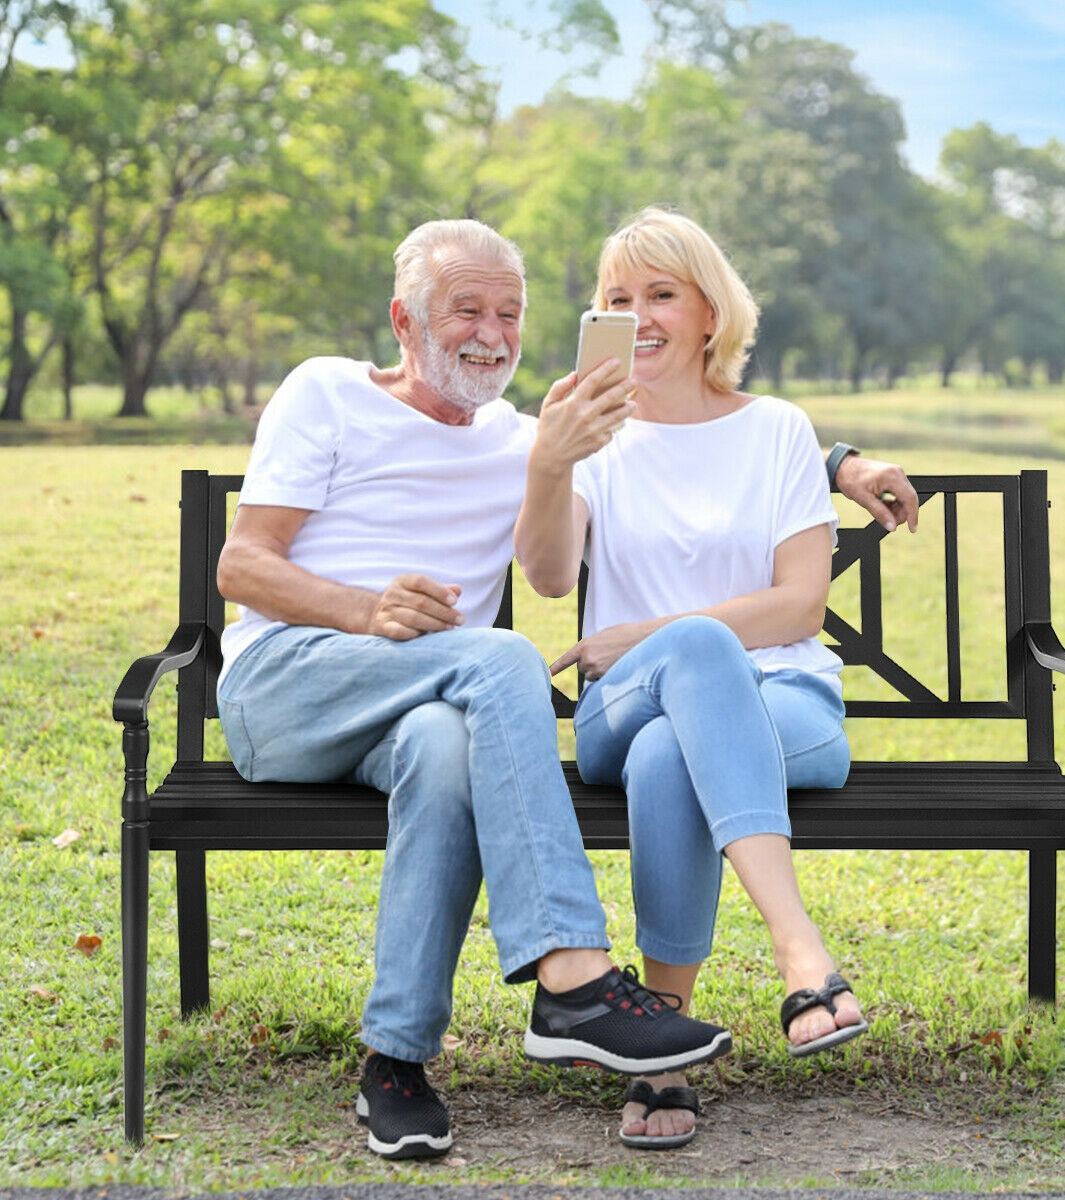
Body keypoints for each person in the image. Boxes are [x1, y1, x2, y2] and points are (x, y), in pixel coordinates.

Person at [214, 219, 737, 1163]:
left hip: (417, 711)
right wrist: (363, 608)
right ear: (405, 321)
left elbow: (689, 437)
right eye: (466, 310)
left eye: (510, 313)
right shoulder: (327, 392)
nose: (491, 335)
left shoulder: (531, 442)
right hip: (289, 685)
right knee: (498, 658)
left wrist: (841, 463)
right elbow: (241, 565)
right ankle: (573, 976)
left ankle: (395, 1060)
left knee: (447, 746)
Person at [514, 208, 908, 1151]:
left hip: (783, 705)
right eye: (617, 299)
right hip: (621, 708)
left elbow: (800, 606)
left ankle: (664, 1047)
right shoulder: (593, 438)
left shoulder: (777, 430)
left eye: (661, 294)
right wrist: (551, 461)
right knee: (681, 678)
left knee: (671, 749)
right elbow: (550, 576)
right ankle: (799, 949)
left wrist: (648, 634)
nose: (637, 316)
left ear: (709, 315)